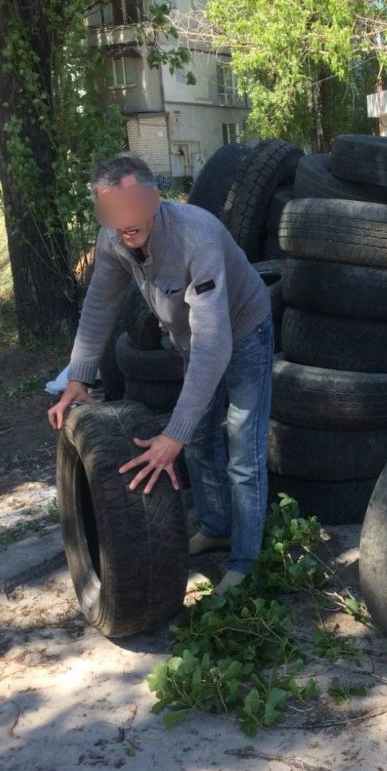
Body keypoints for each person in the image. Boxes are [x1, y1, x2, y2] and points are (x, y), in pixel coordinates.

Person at [48, 154, 273, 595]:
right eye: (114, 212)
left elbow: (215, 344)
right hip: (191, 340)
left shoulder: (197, 238)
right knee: (201, 441)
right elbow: (99, 305)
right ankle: (215, 527)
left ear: (154, 200)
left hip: (244, 331)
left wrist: (174, 432)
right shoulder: (114, 238)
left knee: (242, 449)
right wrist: (79, 375)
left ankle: (246, 562)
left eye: (134, 208)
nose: (126, 223)